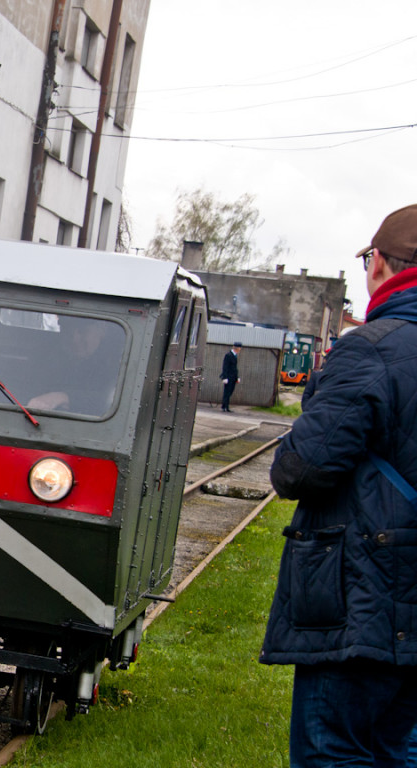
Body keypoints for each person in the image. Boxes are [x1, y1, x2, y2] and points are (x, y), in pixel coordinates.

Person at [261, 203, 417, 766]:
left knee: (334, 749)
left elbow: (300, 468)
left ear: (379, 265)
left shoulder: (371, 348)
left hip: (364, 598)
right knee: (396, 747)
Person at [220, 341, 242, 412]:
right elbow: (225, 367)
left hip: (233, 377)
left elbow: (234, 368)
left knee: (230, 392)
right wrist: (224, 377)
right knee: (227, 392)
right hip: (228, 377)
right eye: (239, 348)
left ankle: (225, 406)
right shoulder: (228, 355)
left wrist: (237, 377)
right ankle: (225, 406)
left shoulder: (235, 356)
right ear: (237, 348)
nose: (239, 349)